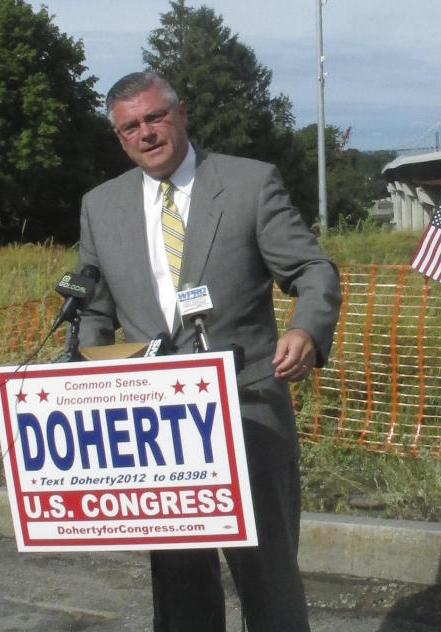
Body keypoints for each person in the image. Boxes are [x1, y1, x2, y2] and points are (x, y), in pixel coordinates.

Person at [76, 71, 341, 632]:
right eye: (130, 127)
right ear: (119, 138)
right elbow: (96, 312)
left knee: (269, 585)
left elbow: (312, 269)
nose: (145, 133)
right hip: (157, 431)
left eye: (154, 117)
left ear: (182, 113)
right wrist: (90, 376)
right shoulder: (100, 206)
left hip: (248, 417)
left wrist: (306, 330)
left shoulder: (249, 184)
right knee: (180, 593)